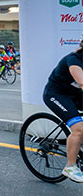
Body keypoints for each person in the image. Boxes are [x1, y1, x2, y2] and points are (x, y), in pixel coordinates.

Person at [42, 34, 83, 183]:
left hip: (75, 95)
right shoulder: (74, 60)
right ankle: (71, 166)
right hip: (56, 94)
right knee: (79, 129)